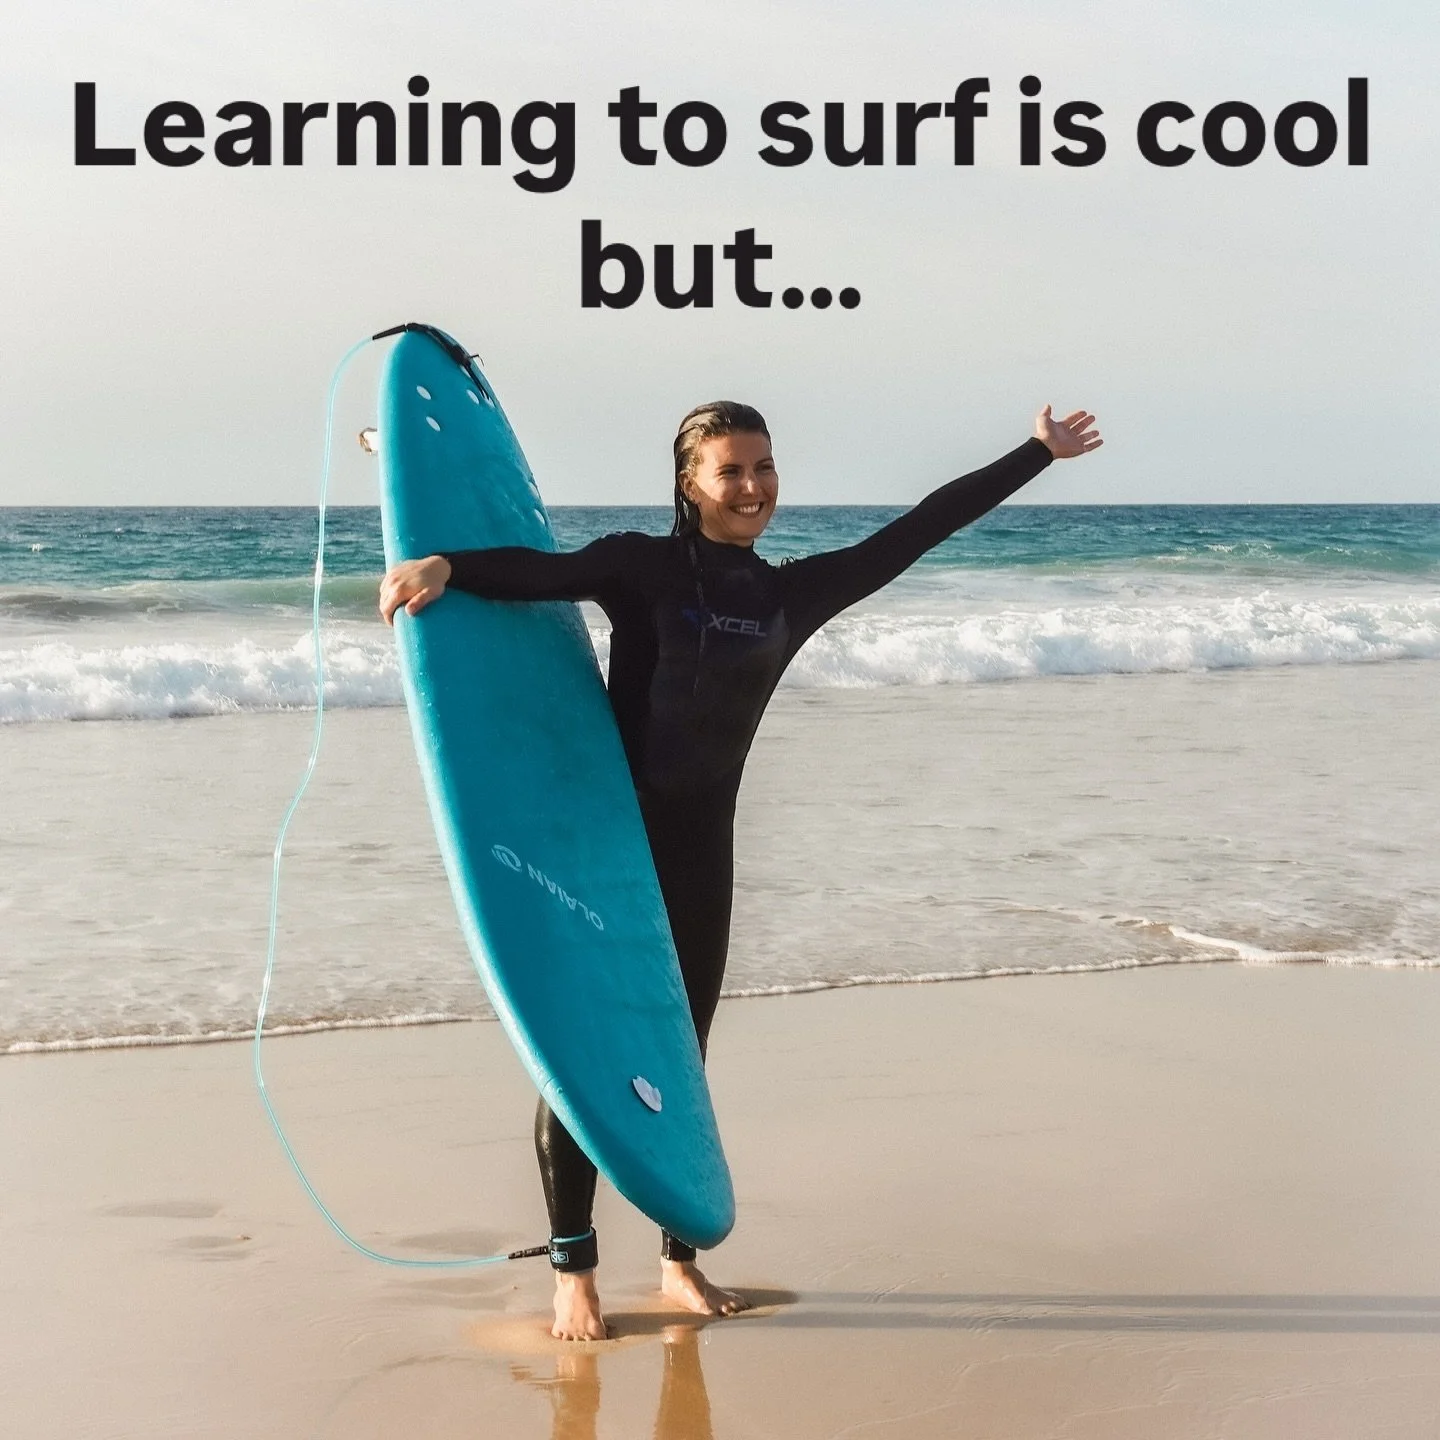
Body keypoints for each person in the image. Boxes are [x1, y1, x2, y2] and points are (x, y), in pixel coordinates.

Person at [379, 400, 1103, 1340]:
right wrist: (447, 568)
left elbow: (923, 526)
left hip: (700, 854)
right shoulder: (639, 566)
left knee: (681, 1057)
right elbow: (539, 575)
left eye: (763, 466)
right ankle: (574, 1273)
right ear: (690, 481)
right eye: (731, 470)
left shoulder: (789, 596)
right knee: (585, 1057)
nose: (753, 486)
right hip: (610, 845)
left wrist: (1036, 454)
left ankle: (681, 1264)